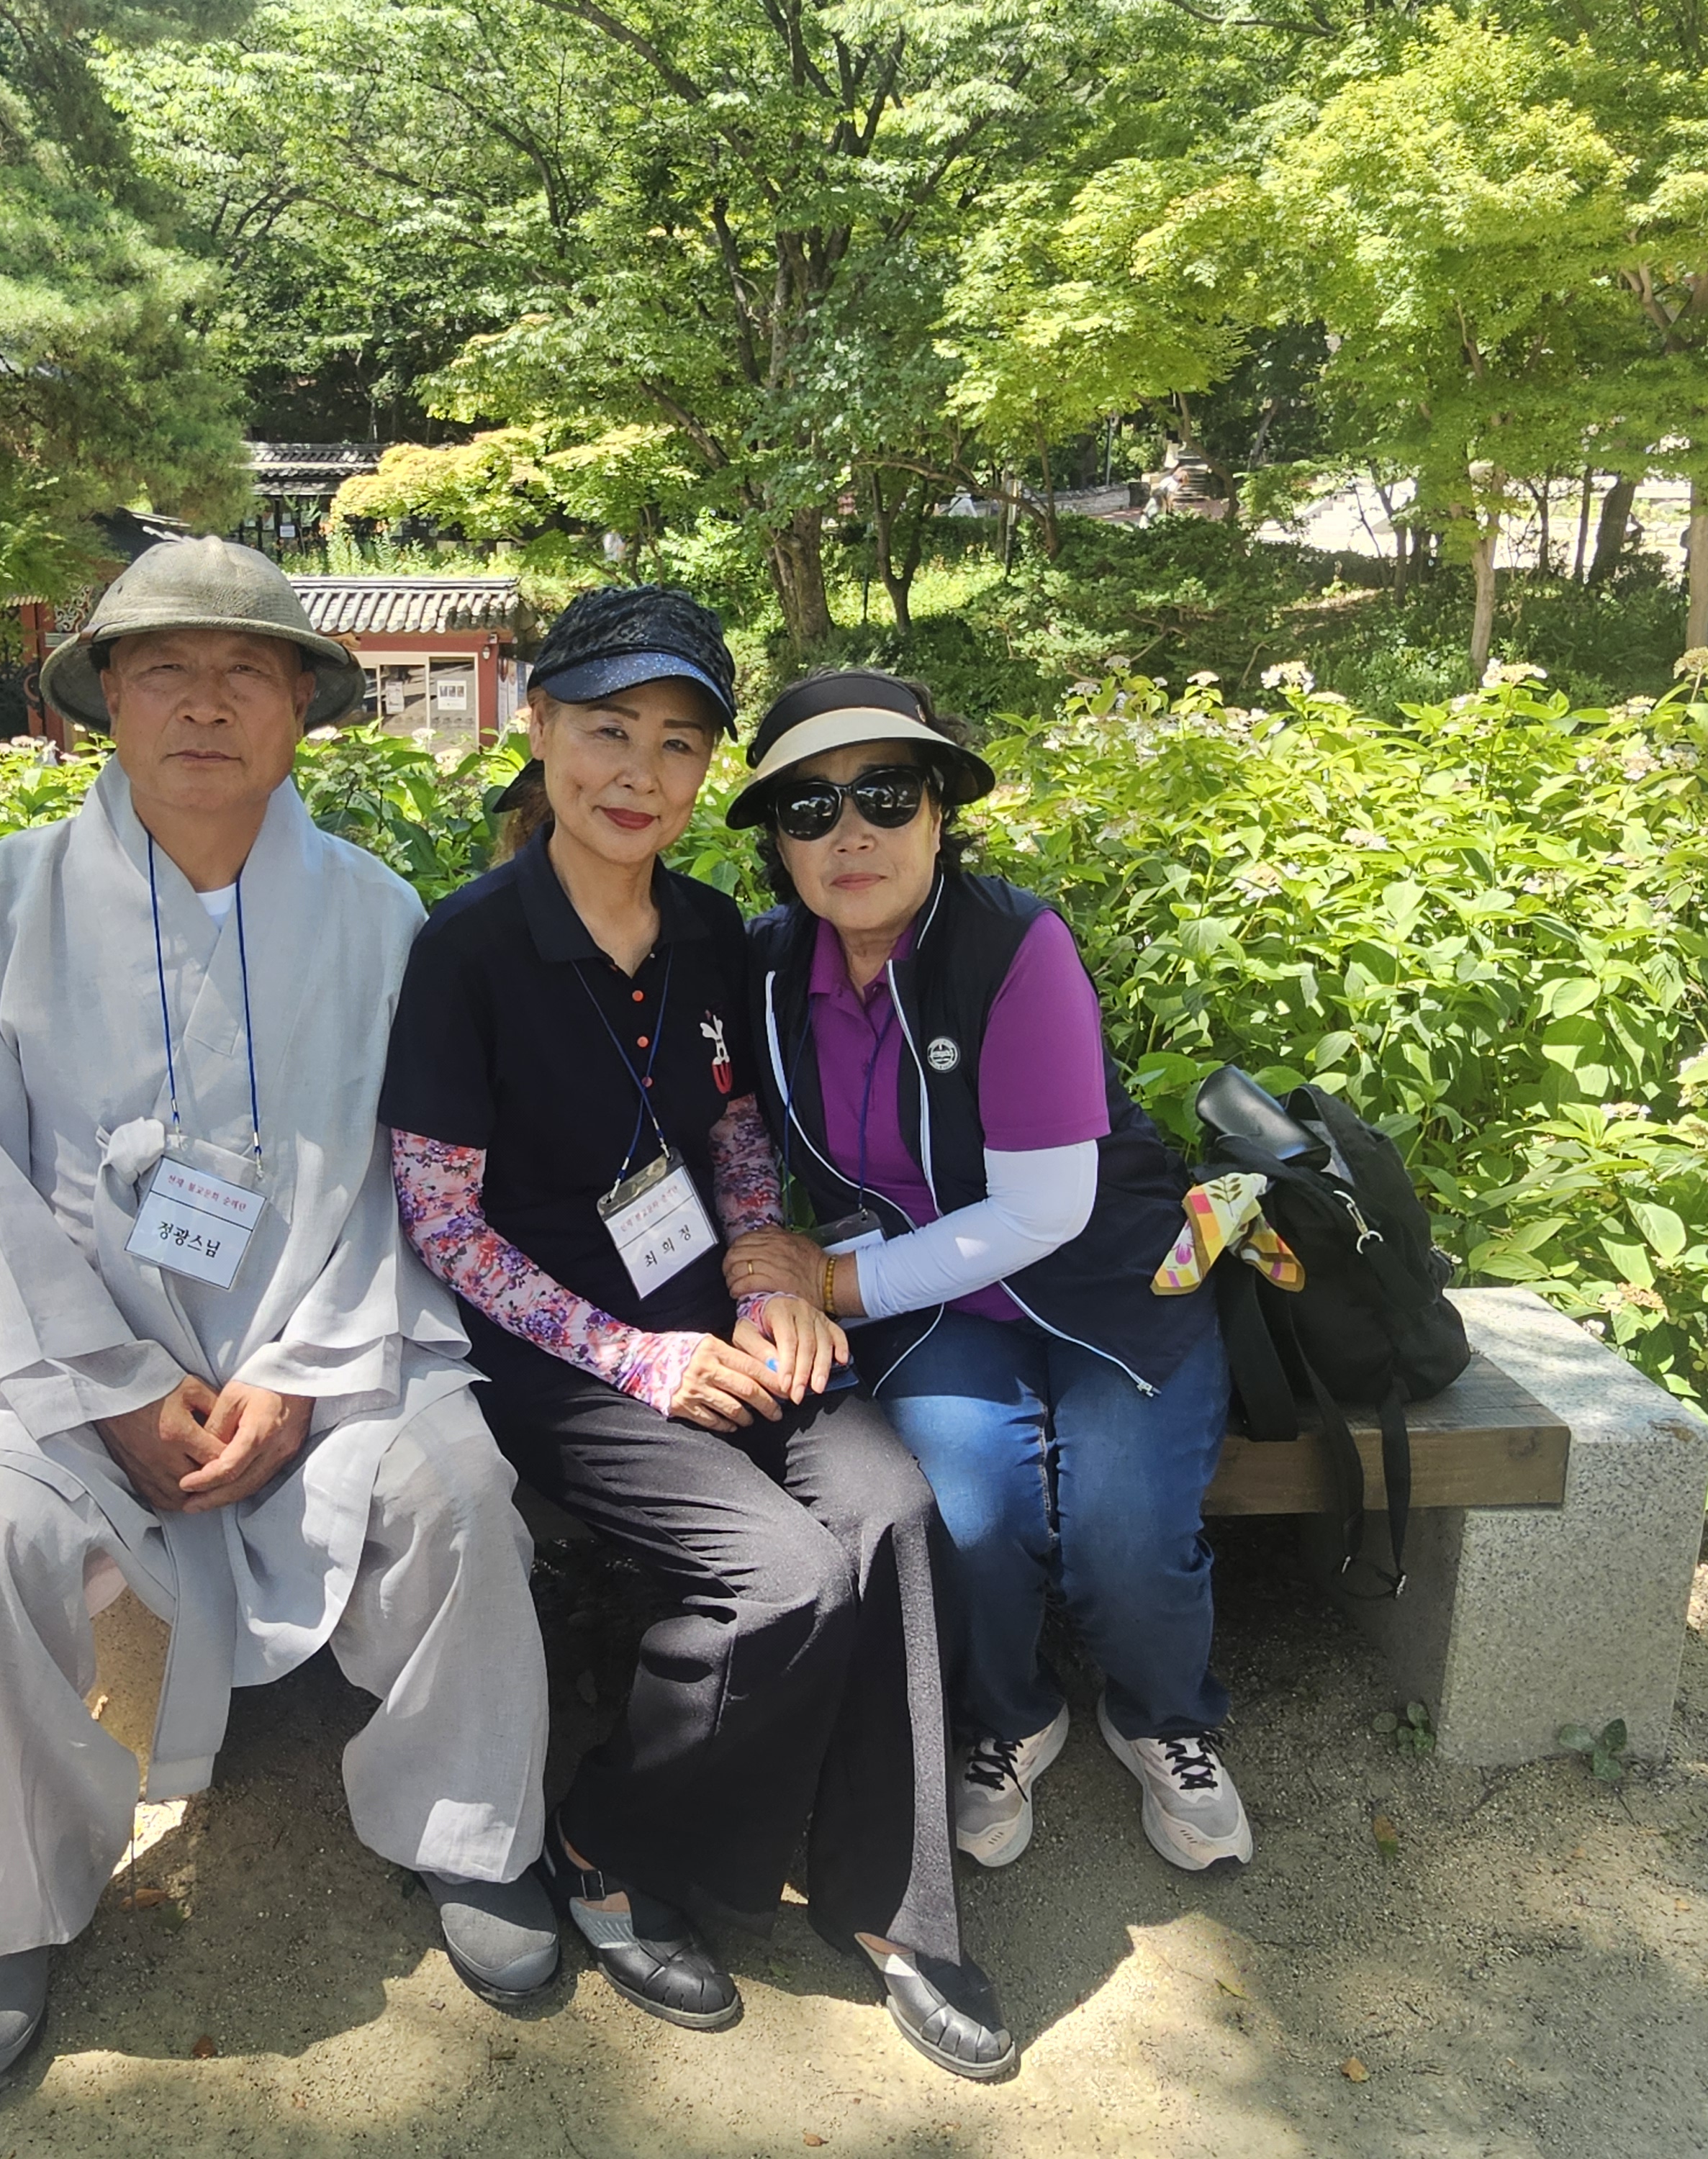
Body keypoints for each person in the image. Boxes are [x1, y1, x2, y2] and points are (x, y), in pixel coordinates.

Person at [0, 538, 555, 2099]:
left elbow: (408, 1177)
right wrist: (115, 1387)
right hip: (69, 1370)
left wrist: (307, 1375)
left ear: (301, 706)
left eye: (246, 670)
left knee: (458, 1489)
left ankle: (469, 1831)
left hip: (328, 1342)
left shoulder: (380, 921)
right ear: (104, 699)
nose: (204, 703)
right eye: (165, 671)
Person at [381, 587, 1016, 2081]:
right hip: (560, 1361)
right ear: (537, 727)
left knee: (888, 1509)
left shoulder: (712, 930)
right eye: (608, 731)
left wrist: (763, 1274)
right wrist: (636, 1356)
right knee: (778, 1574)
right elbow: (441, 1221)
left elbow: (730, 1133)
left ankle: (892, 1902)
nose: (640, 773)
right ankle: (605, 1845)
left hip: (717, 1322)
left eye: (678, 743)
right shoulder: (467, 950)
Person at [718, 670, 1252, 1881]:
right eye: (810, 808)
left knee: (1125, 1529)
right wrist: (761, 1268)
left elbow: (1043, 1210)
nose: (851, 832)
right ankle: (1011, 1715)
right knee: (970, 1516)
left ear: (941, 810)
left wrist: (828, 1286)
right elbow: (703, 1108)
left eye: (886, 795)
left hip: (1108, 1283)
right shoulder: (766, 972)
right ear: (779, 845)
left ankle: (1164, 1713)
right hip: (935, 1300)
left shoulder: (1016, 948)